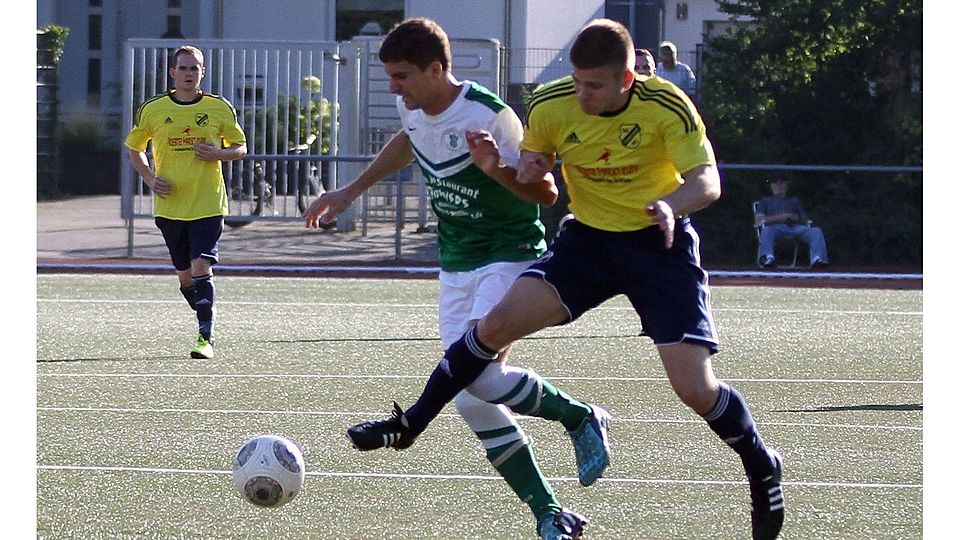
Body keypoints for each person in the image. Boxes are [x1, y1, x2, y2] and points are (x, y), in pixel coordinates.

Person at [348, 19, 786, 540]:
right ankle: (413, 423)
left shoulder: (665, 104)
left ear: (627, 80)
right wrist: (514, 167)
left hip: (658, 247)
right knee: (493, 328)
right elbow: (539, 171)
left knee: (694, 388)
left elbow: (707, 180)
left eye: (594, 85)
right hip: (588, 244)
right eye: (577, 81)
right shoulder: (551, 102)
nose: (581, 94)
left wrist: (670, 206)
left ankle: (761, 464)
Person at [305, 19, 595, 540]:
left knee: (477, 375)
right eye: (390, 76)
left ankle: (578, 417)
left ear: (437, 69)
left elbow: (548, 194)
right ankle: (551, 513)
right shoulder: (412, 107)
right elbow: (407, 141)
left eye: (402, 76)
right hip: (457, 260)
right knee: (468, 397)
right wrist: (349, 192)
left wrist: (492, 169)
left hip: (508, 255)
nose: (394, 87)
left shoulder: (492, 116)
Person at [124, 45, 247, 359]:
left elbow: (240, 147)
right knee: (184, 275)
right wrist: (151, 179)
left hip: (208, 202)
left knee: (200, 264)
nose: (189, 74)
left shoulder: (219, 108)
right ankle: (206, 312)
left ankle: (205, 337)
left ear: (203, 72)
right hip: (170, 205)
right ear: (173, 73)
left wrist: (219, 153)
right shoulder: (152, 109)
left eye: (195, 68)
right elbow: (135, 149)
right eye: (184, 68)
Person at [754, 178, 829, 269]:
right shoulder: (765, 201)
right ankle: (767, 258)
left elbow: (804, 218)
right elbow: (759, 219)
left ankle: (818, 259)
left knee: (816, 231)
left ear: (786, 186)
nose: (779, 187)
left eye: (781, 184)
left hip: (795, 227)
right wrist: (781, 217)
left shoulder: (794, 201)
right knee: (766, 231)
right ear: (771, 186)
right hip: (775, 228)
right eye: (776, 184)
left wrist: (792, 216)